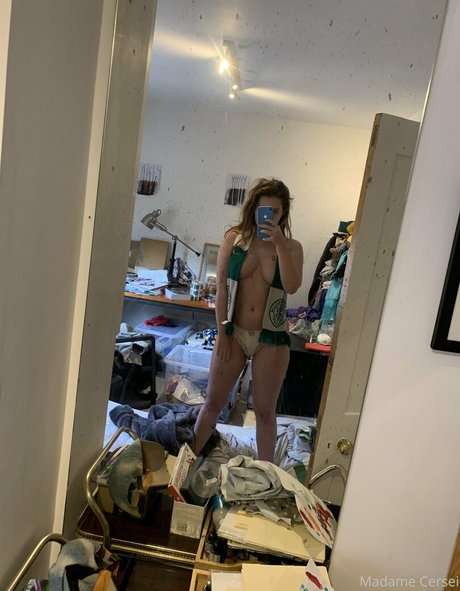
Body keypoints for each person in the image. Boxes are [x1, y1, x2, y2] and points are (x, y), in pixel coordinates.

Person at [193, 178, 304, 462]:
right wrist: (222, 334)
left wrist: (279, 244)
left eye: (275, 212)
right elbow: (221, 289)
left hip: (271, 338)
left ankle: (267, 474)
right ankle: (184, 468)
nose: (268, 216)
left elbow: (292, 286)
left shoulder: (292, 247)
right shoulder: (234, 239)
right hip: (234, 332)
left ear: (283, 214)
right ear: (253, 208)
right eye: (263, 209)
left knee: (265, 412)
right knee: (213, 404)